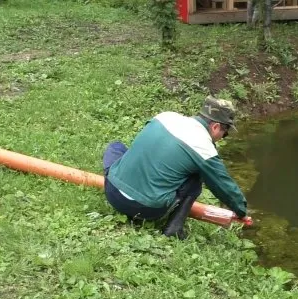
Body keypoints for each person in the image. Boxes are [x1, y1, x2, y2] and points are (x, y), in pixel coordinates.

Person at [102, 96, 248, 240]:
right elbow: (223, 185)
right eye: (225, 133)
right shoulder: (204, 148)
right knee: (196, 178)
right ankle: (174, 229)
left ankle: (120, 181)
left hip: (112, 193)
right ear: (215, 126)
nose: (223, 137)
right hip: (146, 209)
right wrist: (241, 211)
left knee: (116, 147)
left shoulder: (165, 117)